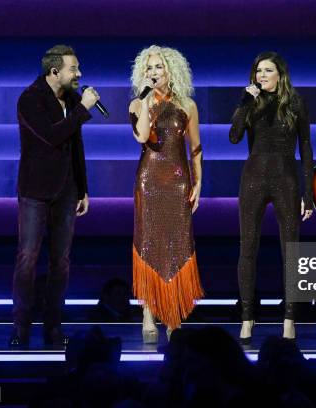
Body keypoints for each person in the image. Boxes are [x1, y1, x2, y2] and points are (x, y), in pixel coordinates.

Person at [10, 44, 100, 348]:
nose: (79, 74)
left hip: (66, 190)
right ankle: (20, 327)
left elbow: (76, 146)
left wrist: (84, 188)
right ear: (54, 72)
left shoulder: (72, 99)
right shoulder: (30, 99)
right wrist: (81, 110)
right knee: (28, 257)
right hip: (35, 190)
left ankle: (53, 327)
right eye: (73, 69)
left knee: (61, 261)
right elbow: (51, 137)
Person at [230, 51, 314, 343]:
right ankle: (247, 316)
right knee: (247, 248)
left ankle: (290, 318)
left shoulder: (295, 103)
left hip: (286, 178)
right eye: (258, 71)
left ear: (280, 74)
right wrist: (245, 101)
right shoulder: (251, 102)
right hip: (253, 177)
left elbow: (306, 149)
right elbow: (234, 136)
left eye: (267, 71)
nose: (261, 76)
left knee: (291, 251)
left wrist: (309, 192)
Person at [129, 45, 204, 342]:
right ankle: (148, 312)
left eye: (158, 67)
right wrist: (146, 100)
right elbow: (144, 136)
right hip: (149, 180)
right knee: (148, 242)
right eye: (149, 68)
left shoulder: (187, 105)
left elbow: (195, 148)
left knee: (176, 243)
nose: (153, 72)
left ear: (170, 70)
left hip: (177, 181)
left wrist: (199, 182)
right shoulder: (137, 103)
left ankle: (173, 313)